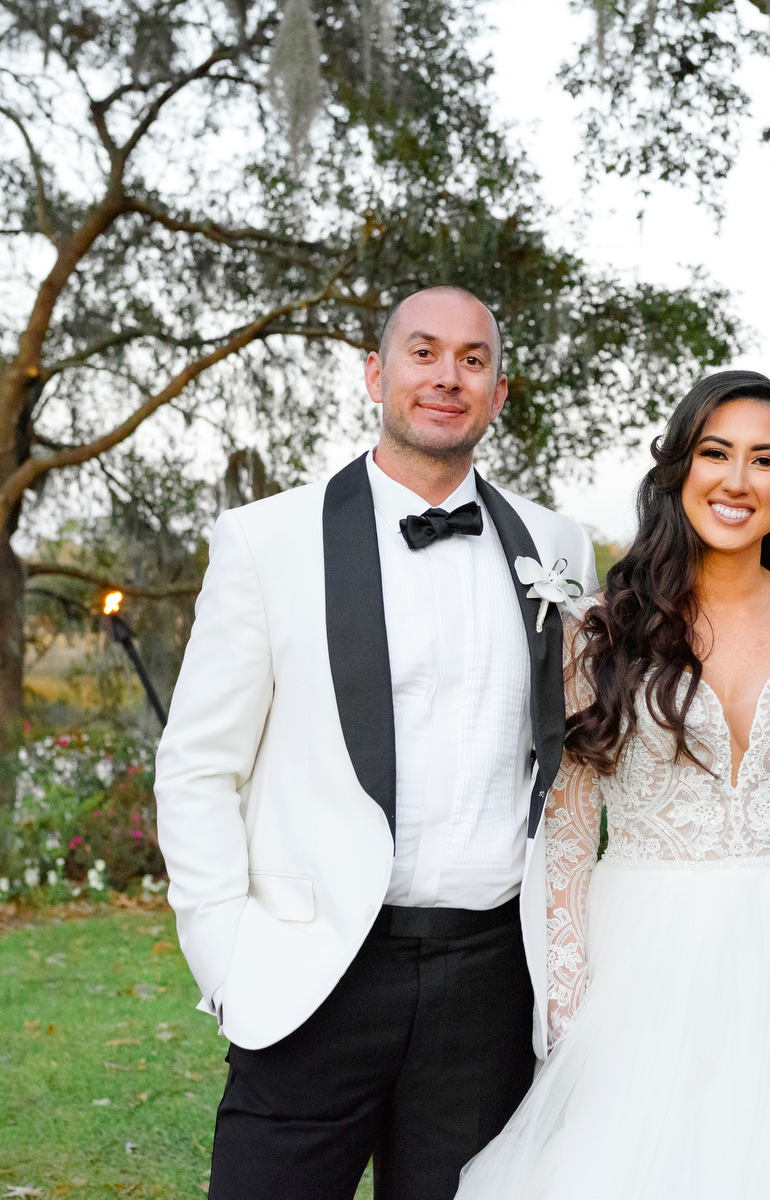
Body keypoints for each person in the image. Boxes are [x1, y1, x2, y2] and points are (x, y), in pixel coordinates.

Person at [455, 371, 770, 1200]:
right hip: (647, 959)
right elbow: (570, 830)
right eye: (716, 453)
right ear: (680, 468)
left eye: (765, 460)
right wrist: (568, 1002)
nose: (737, 480)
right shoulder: (602, 631)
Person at [155, 286, 599, 1199]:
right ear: (376, 374)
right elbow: (198, 764)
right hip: (314, 973)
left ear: (499, 392)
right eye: (424, 352)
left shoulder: (557, 546)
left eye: (473, 360)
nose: (448, 377)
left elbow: (581, 747)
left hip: (488, 981)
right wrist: (227, 961)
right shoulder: (266, 540)